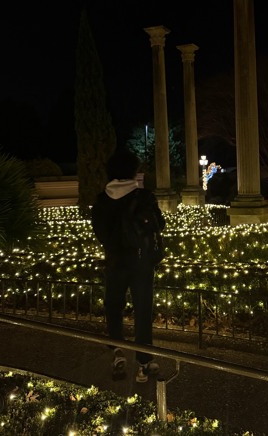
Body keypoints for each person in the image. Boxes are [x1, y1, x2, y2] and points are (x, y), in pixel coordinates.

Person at [91, 149, 165, 383]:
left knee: (114, 306)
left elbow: (99, 232)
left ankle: (117, 351)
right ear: (133, 171)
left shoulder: (102, 200)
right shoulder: (144, 196)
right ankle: (144, 362)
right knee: (143, 309)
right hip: (141, 262)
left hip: (115, 261)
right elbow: (160, 224)